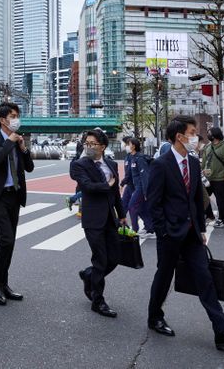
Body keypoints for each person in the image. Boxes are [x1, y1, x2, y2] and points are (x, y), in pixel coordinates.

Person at [146, 115, 224, 350]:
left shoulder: (193, 162)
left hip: (192, 233)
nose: (196, 137)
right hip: (170, 234)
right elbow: (154, 203)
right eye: (192, 132)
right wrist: (163, 231)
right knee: (164, 277)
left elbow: (195, 199)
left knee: (205, 278)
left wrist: (201, 228)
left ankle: (222, 330)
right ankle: (155, 316)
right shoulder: (160, 164)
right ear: (180, 136)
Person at [0, 101, 35, 306]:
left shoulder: (17, 139)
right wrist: (10, 142)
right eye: (12, 115)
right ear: (2, 120)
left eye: (17, 115)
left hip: (15, 195)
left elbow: (29, 168)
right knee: (6, 240)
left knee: (10, 243)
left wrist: (23, 148)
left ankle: (4, 283)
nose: (16, 119)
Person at [71, 129, 127, 318]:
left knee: (114, 258)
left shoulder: (111, 164)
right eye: (86, 143)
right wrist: (107, 185)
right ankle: (98, 300)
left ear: (103, 146)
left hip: (110, 218)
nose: (89, 146)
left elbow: (116, 193)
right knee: (101, 259)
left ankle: (89, 275)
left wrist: (122, 214)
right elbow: (86, 186)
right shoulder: (79, 165)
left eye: (93, 144)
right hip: (93, 219)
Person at [201, 127, 224, 228]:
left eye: (209, 133)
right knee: (202, 197)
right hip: (207, 178)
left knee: (220, 200)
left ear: (215, 134)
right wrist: (202, 171)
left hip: (220, 178)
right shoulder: (208, 146)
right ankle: (209, 215)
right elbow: (204, 161)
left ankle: (222, 219)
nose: (208, 134)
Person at [123, 137, 154, 238]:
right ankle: (150, 227)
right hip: (133, 186)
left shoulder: (140, 158)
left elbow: (144, 176)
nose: (126, 146)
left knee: (132, 206)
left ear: (133, 146)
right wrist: (122, 183)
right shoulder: (130, 157)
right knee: (139, 208)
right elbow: (129, 174)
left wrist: (146, 192)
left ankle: (135, 229)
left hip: (140, 187)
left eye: (128, 144)